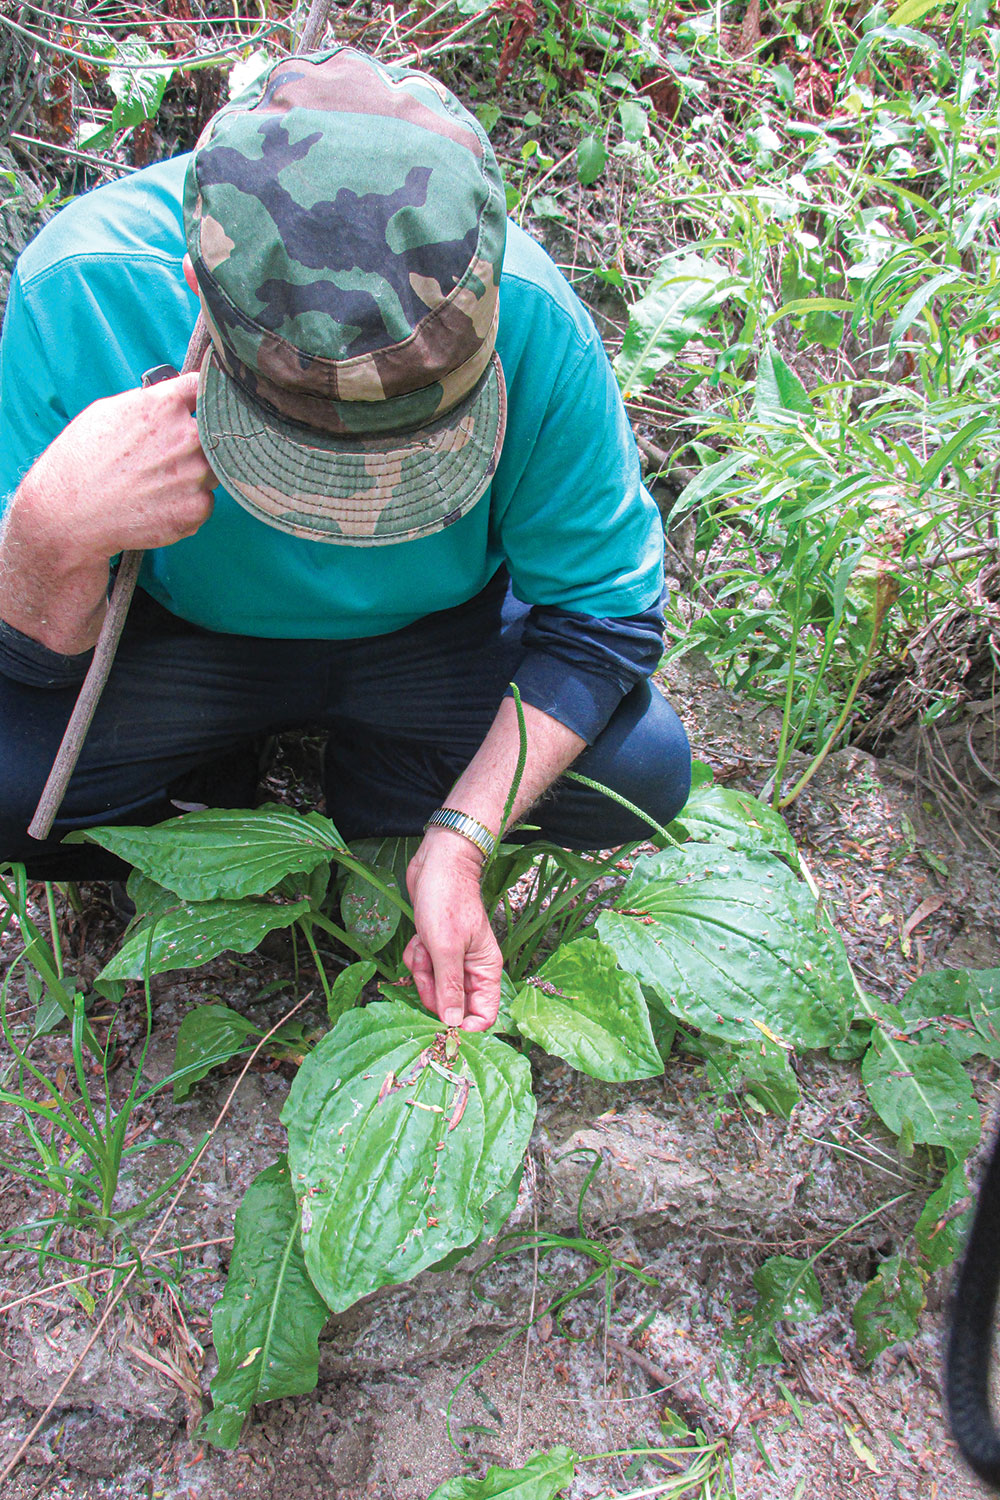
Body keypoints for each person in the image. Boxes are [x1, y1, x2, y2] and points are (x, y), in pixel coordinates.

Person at [0, 47, 691, 1032]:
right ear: (199, 283)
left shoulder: (528, 313)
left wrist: (461, 837)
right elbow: (30, 669)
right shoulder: (86, 288)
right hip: (174, 635)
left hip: (430, 639)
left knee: (639, 772)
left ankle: (387, 799)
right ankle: (203, 793)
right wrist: (49, 533)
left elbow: (601, 620)